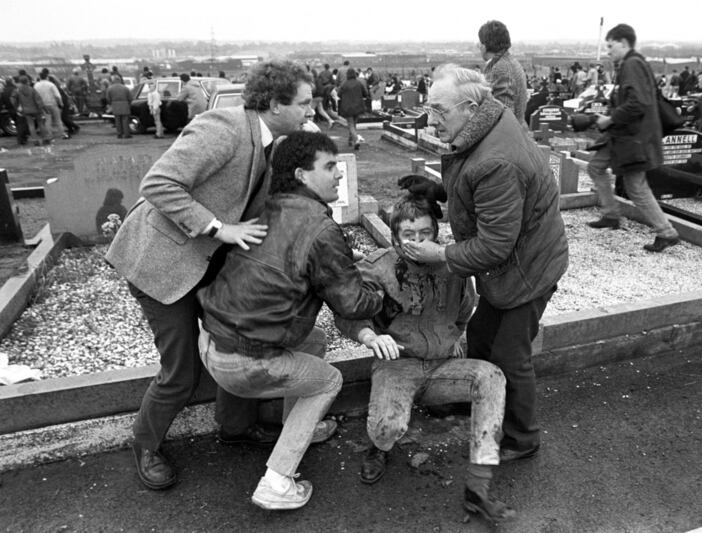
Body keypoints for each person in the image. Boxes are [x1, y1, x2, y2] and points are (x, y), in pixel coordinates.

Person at [105, 61, 318, 492]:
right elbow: (159, 183)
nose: (311, 112)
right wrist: (221, 229)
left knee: (238, 336)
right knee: (181, 367)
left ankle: (235, 429)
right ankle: (145, 443)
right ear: (275, 104)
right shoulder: (223, 126)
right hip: (162, 262)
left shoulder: (272, 141)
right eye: (304, 104)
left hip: (206, 262)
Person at [197, 131, 387, 511]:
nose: (338, 175)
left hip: (210, 342)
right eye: (330, 167)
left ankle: (297, 428)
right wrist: (382, 287)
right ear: (302, 175)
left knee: (314, 340)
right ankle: (277, 481)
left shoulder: (273, 206)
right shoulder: (319, 229)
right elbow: (351, 304)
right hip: (244, 362)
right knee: (328, 380)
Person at [400, 64, 568, 466]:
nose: (431, 119)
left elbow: (493, 246)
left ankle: (522, 437)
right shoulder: (486, 125)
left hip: (526, 272)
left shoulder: (496, 159)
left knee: (511, 357)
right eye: (429, 107)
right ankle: (474, 396)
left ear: (470, 106)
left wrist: (439, 255)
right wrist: (438, 191)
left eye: (439, 110)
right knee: (481, 335)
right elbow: (474, 186)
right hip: (514, 266)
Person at [336, 193, 515, 522]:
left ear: (436, 233)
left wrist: (454, 337)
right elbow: (348, 312)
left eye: (425, 234)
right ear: (394, 236)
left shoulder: (453, 265)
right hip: (398, 367)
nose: (418, 242)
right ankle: (380, 446)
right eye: (409, 235)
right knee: (387, 428)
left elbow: (465, 310)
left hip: (443, 364)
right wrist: (370, 336)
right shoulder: (378, 267)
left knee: (492, 377)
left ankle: (478, 485)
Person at [586, 23, 680, 252]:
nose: (608, 51)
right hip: (623, 135)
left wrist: (609, 119)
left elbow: (638, 103)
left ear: (623, 43)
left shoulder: (632, 64)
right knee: (596, 167)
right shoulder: (632, 63)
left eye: (610, 46)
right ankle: (610, 214)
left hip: (633, 138)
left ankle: (667, 232)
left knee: (636, 187)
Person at [478, 20, 527, 125]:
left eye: (480, 42)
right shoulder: (508, 61)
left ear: (484, 45)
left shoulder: (501, 67)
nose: (479, 46)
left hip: (505, 136)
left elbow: (503, 114)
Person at [338, 67, 368, 150]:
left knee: (351, 125)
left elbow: (339, 94)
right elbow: (365, 93)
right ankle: (351, 140)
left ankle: (355, 140)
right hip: (358, 107)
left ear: (347, 75)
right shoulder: (359, 83)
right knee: (354, 124)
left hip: (347, 108)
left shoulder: (344, 84)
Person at [11, 75, 44, 146]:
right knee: (40, 124)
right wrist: (41, 108)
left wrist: (16, 107)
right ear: (28, 81)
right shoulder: (32, 89)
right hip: (36, 110)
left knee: (31, 125)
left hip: (26, 110)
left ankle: (35, 140)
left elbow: (13, 99)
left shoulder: (17, 90)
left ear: (20, 82)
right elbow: (38, 100)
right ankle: (46, 139)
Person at [34, 68, 65, 142]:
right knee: (58, 120)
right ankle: (61, 133)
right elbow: (57, 95)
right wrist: (61, 103)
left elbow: (35, 96)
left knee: (48, 120)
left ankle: (49, 134)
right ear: (47, 77)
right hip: (52, 103)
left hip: (43, 105)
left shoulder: (36, 85)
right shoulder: (51, 84)